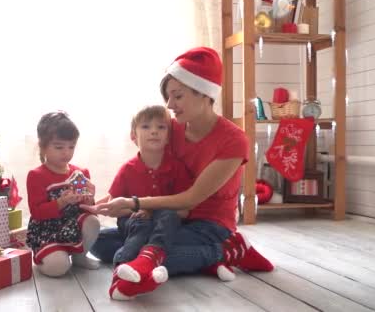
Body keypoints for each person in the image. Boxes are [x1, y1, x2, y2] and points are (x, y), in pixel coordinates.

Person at [87, 47, 274, 297]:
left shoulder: (233, 141)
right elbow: (143, 167)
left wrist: (134, 203)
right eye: (167, 97)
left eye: (177, 96)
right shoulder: (172, 129)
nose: (169, 105)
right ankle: (171, 259)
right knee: (99, 242)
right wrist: (96, 206)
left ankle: (225, 250)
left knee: (155, 253)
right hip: (167, 218)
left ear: (204, 93)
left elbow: (191, 198)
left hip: (209, 225)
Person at [105, 105, 192, 300]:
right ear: (133, 136)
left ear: (169, 136)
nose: (154, 131)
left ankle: (146, 261)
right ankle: (122, 270)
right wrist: (136, 211)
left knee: (168, 215)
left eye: (161, 127)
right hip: (134, 223)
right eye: (146, 127)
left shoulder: (177, 167)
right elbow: (114, 208)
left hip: (165, 224)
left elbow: (185, 211)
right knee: (135, 228)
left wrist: (151, 210)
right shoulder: (127, 169)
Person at [26, 111, 101, 277]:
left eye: (71, 146)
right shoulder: (36, 175)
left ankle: (80, 256)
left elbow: (87, 209)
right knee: (59, 268)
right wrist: (61, 202)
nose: (66, 152)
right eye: (59, 147)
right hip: (47, 231)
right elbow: (37, 213)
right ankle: (43, 256)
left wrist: (90, 199)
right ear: (43, 146)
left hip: (72, 226)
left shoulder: (81, 172)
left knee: (93, 221)